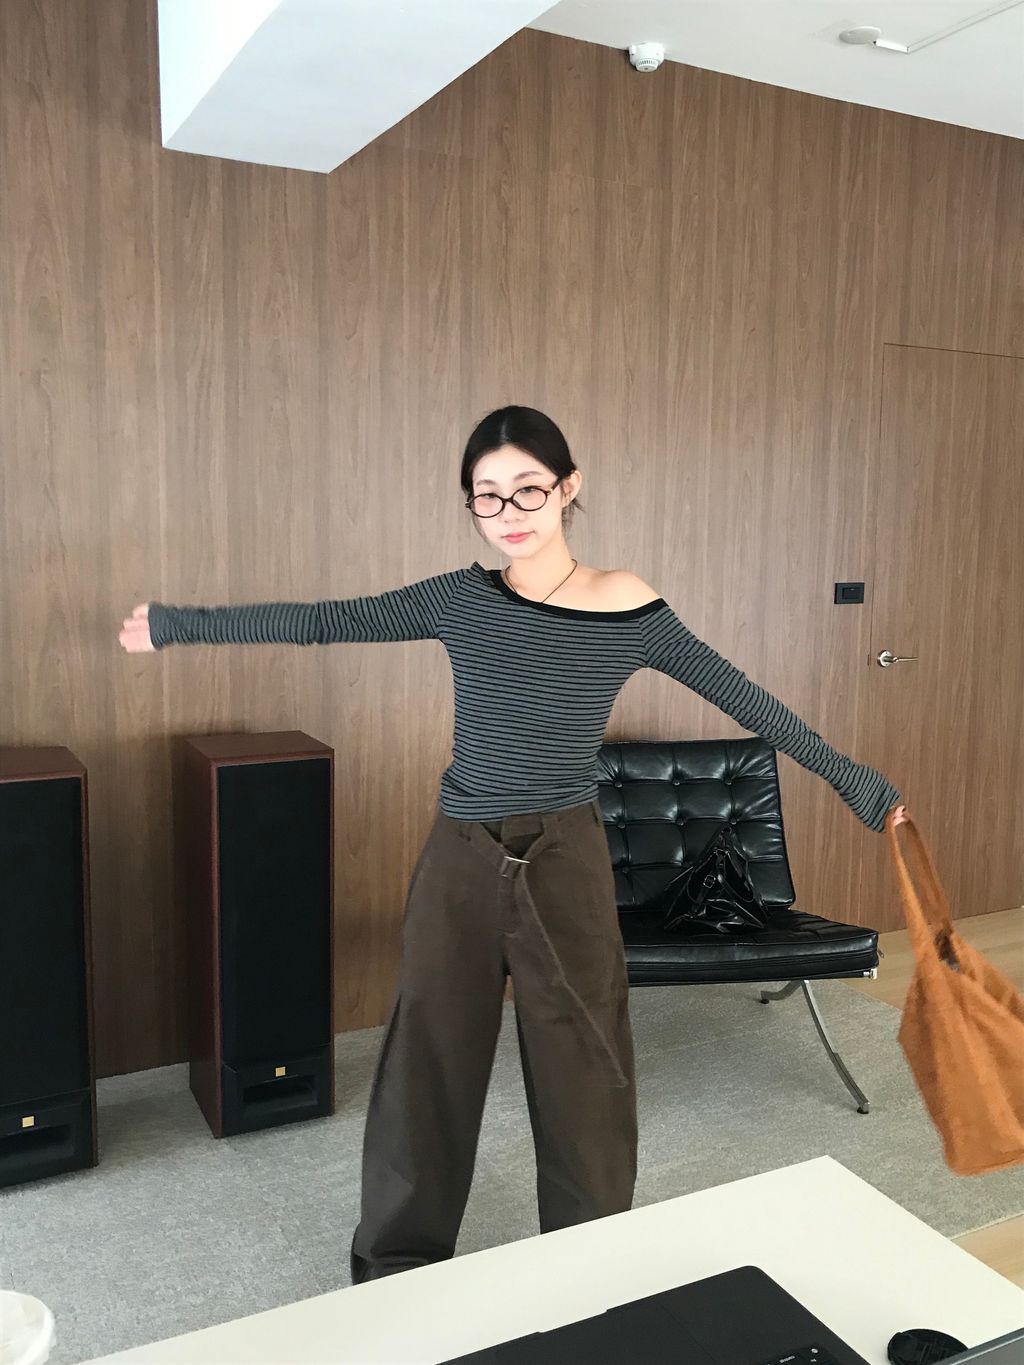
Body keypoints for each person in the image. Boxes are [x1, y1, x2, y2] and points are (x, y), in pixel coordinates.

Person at [120, 404, 904, 1283]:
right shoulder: (461, 599)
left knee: (585, 1062)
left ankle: (588, 1265)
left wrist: (859, 784)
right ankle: (396, 1266)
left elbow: (751, 701)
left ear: (569, 487)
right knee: (427, 1059)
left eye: (527, 487)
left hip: (566, 856)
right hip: (460, 855)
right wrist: (180, 624)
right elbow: (323, 619)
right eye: (486, 495)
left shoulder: (628, 604)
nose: (508, 511)